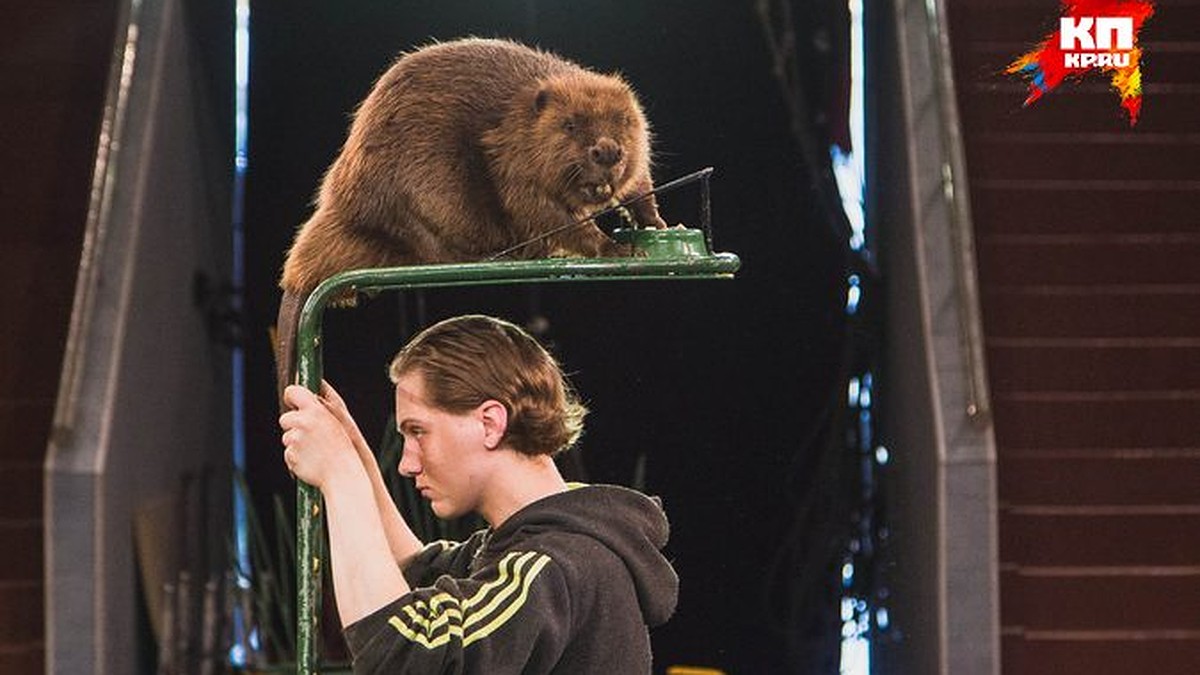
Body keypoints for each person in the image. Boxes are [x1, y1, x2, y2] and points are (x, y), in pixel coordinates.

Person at [279, 314, 678, 673]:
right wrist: (351, 451)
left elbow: (406, 654)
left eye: (418, 432)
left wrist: (340, 475)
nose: (406, 463)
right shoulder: (540, 541)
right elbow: (413, 572)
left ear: (490, 423)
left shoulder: (551, 565)